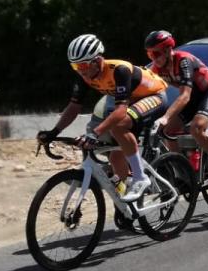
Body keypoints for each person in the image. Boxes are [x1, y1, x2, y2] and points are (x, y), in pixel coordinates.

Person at [39, 34, 169, 202]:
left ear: (98, 60)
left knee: (118, 127)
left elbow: (121, 111)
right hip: (133, 101)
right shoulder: (84, 76)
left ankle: (140, 178)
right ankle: (126, 198)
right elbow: (73, 108)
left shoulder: (119, 70)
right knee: (115, 155)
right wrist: (53, 131)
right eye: (75, 66)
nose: (81, 70)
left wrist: (95, 133)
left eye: (84, 64)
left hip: (155, 96)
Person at [143, 30, 208, 182]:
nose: (154, 59)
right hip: (192, 97)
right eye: (150, 55)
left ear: (167, 50)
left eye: (156, 54)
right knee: (167, 131)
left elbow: (184, 96)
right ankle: (183, 173)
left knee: (196, 128)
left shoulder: (183, 61)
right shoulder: (157, 69)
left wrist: (165, 117)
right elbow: (145, 90)